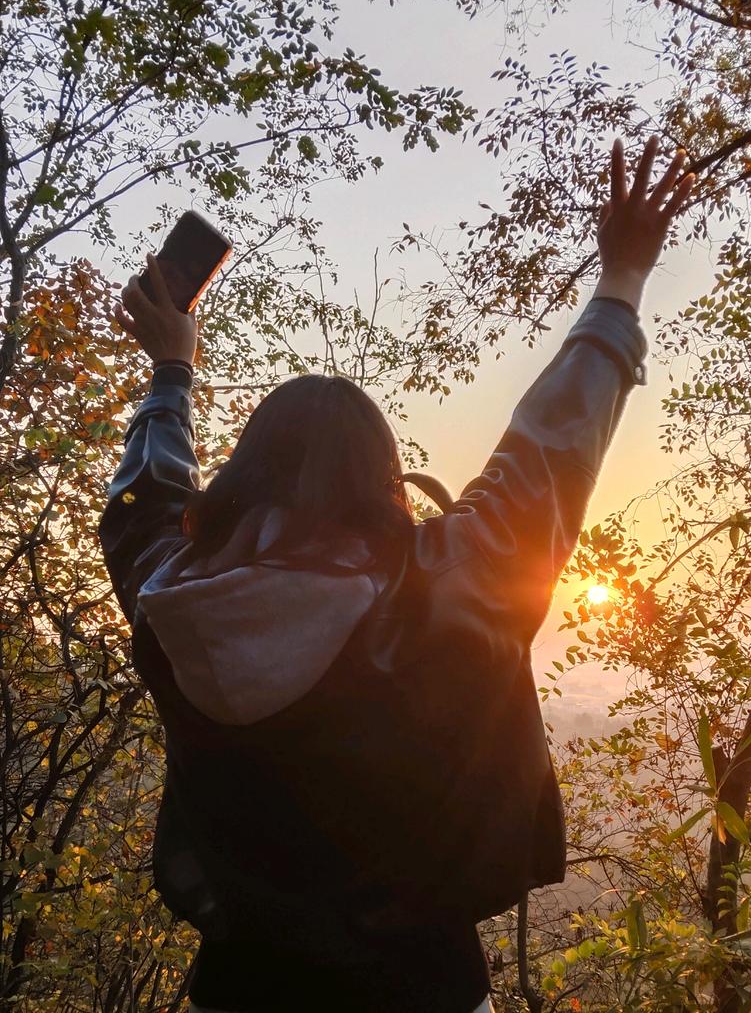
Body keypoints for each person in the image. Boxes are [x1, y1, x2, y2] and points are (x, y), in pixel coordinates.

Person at [99, 137, 694, 1013]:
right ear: (383, 483)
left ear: (242, 476)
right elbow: (554, 444)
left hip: (239, 991)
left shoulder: (167, 595)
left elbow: (148, 497)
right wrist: (623, 279)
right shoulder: (444, 588)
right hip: (425, 991)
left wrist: (173, 364)